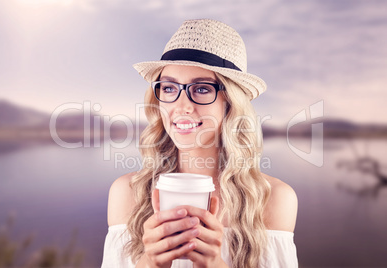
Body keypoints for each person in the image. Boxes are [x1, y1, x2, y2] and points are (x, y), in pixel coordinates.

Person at [102, 19, 298, 268]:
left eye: (202, 89)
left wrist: (215, 264)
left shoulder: (274, 200)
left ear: (230, 102)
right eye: (170, 88)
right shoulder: (128, 193)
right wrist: (150, 262)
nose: (181, 105)